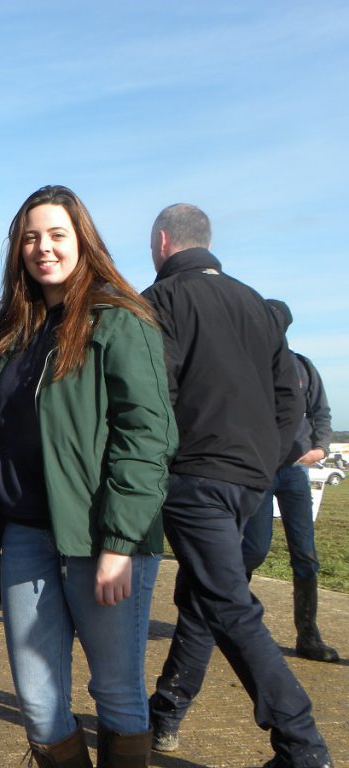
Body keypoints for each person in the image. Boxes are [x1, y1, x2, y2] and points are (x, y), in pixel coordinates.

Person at [0, 185, 176, 768]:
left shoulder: (119, 319)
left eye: (57, 235)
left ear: (82, 240)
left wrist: (120, 543)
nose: (44, 248)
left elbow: (146, 435)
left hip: (99, 538)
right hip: (25, 537)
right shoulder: (12, 332)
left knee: (116, 691)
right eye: (32, 237)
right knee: (39, 703)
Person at [143, 204, 332, 768]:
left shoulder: (161, 301)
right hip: (252, 479)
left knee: (228, 601)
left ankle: (301, 744)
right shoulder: (258, 305)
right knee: (205, 595)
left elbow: (158, 392)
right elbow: (289, 398)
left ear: (162, 241)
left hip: (196, 476)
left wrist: (172, 461)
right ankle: (165, 710)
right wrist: (265, 459)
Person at [242, 300, 338, 662]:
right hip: (260, 472)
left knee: (306, 555)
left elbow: (321, 413)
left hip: (296, 471)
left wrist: (321, 448)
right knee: (253, 549)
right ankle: (232, 615)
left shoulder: (303, 367)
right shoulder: (247, 366)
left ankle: (308, 636)